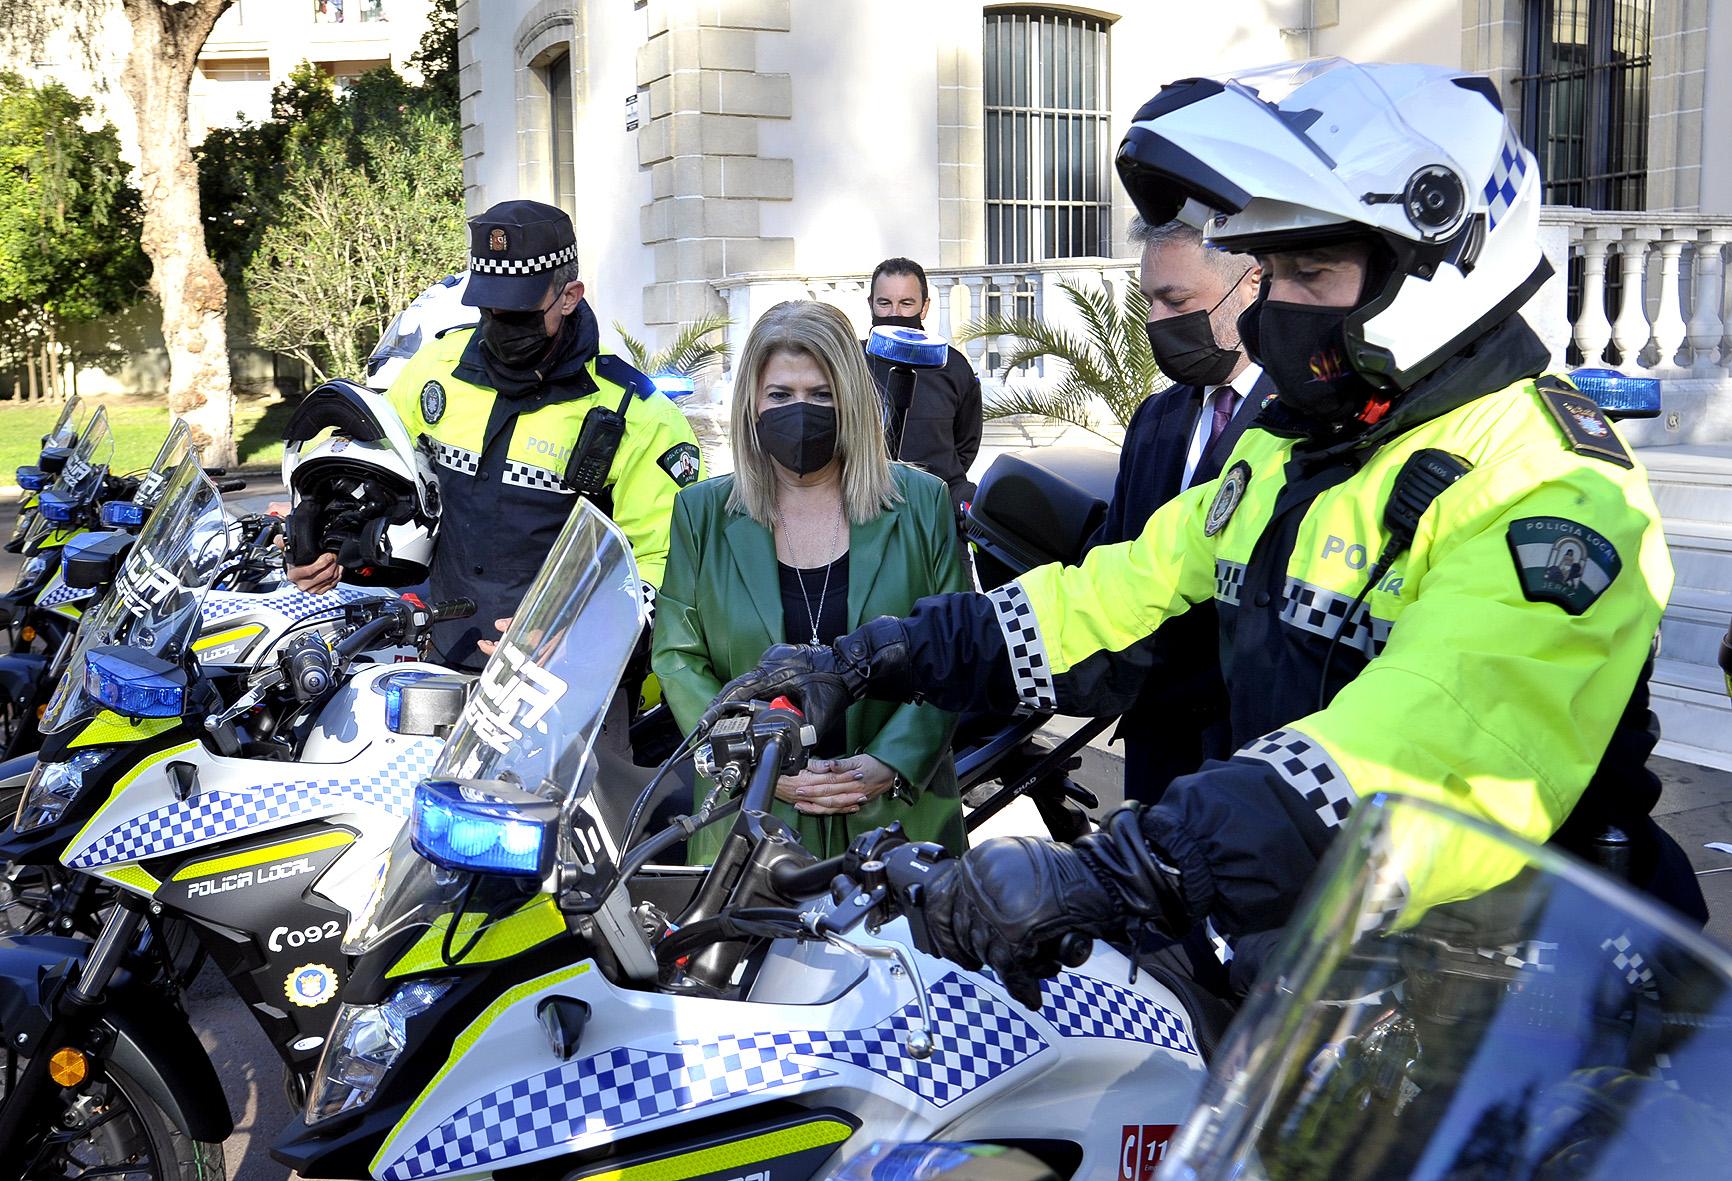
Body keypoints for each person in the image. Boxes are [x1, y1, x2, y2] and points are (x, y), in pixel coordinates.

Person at [711, 60, 1706, 1010]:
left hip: (1522, 988)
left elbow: (1430, 745)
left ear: (1439, 262)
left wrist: (1135, 860)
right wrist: (875, 653)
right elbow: (1112, 594)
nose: (1273, 306)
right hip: (1324, 952)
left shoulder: (1551, 477)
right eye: (1269, 272)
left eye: (1309, 271)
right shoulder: (1295, 447)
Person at [288, 200, 703, 670]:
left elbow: (666, 561)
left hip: (576, 682)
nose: (502, 325)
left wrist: (584, 628)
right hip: (448, 657)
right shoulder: (435, 369)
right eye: (489, 308)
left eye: (521, 313)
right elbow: (382, 480)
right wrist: (331, 545)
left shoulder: (638, 415)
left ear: (569, 296)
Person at [654, 300, 969, 862]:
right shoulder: (701, 512)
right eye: (780, 395)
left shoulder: (922, 504)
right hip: (748, 819)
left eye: (821, 395)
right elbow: (678, 657)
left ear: (850, 399)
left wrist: (888, 764)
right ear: (752, 403)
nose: (801, 412)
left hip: (896, 820)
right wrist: (755, 762)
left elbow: (958, 648)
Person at [1088, 214, 1266, 802]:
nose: (1156, 321)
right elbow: (1114, 561)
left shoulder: (1305, 427)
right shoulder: (1155, 418)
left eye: (1176, 299)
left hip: (1248, 757)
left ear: (1251, 285)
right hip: (1155, 743)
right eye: (1150, 302)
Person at [863, 258, 983, 513]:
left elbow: (966, 443)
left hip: (936, 508)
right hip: (865, 507)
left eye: (907, 303)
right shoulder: (848, 361)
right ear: (871, 304)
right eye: (884, 303)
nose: (895, 313)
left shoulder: (953, 365)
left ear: (924, 307)